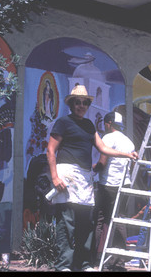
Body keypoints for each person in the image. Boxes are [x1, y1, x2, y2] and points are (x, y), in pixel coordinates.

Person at [47, 85, 138, 272]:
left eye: (84, 103)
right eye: (77, 102)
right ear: (72, 104)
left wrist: (127, 154)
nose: (81, 106)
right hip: (67, 173)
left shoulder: (89, 126)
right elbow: (50, 150)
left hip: (85, 176)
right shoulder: (63, 122)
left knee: (86, 221)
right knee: (67, 221)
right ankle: (64, 265)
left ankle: (84, 263)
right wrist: (54, 177)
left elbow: (103, 148)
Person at [93, 111, 135, 271]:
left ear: (108, 123)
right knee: (119, 219)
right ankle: (119, 261)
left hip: (108, 184)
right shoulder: (129, 141)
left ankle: (95, 257)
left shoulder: (108, 138)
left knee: (100, 219)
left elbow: (102, 164)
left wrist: (90, 169)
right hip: (124, 184)